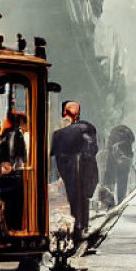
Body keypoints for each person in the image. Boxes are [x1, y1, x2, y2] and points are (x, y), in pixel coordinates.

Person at [50, 101, 98, 239]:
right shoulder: (86, 128)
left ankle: (79, 226)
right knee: (80, 196)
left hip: (72, 166)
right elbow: (93, 150)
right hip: (77, 167)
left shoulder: (60, 132)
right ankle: (81, 226)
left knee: (75, 196)